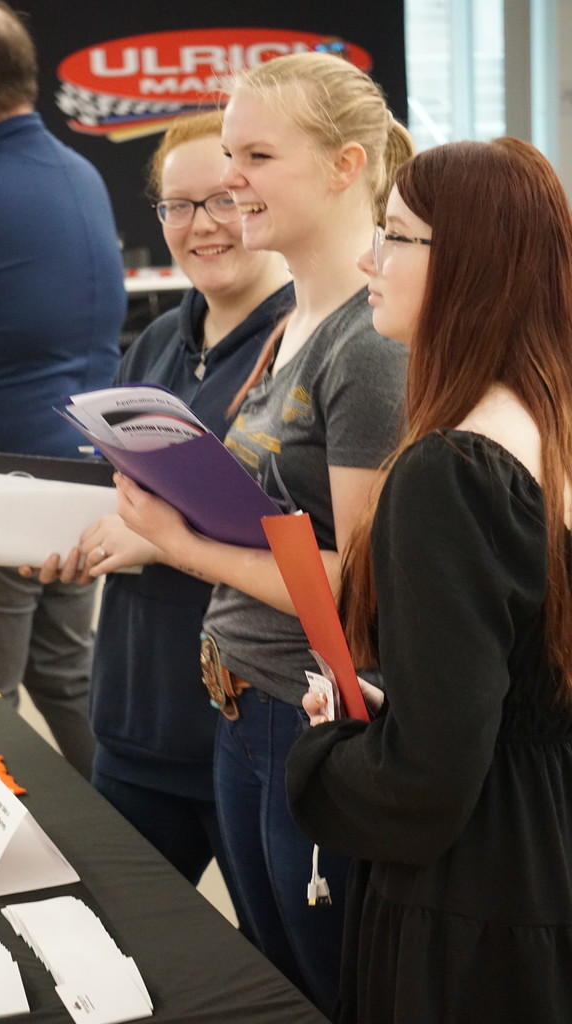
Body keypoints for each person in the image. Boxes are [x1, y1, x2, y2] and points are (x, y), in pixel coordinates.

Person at [113, 52, 411, 1016]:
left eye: (255, 154)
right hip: (239, 699)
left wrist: (176, 539)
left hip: (304, 710)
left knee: (322, 985)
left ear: (343, 166)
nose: (229, 179)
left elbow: (359, 585)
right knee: (272, 973)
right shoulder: (299, 319)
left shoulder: (367, 341)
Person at [286, 137, 572, 1024]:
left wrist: (326, 754)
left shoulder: (453, 469)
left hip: (480, 886)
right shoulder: (549, 422)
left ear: (471, 262)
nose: (370, 258)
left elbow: (428, 780)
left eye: (396, 234)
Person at [35, 110, 294, 925]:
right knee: (120, 940)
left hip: (248, 728)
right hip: (134, 721)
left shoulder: (305, 352)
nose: (200, 228)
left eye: (220, 200)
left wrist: (155, 539)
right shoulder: (154, 347)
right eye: (176, 207)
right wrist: (58, 534)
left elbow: (309, 539)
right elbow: (117, 498)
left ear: (259, 201)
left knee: (273, 968)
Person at [0, 1, 126, 777]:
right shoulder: (75, 171)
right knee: (60, 674)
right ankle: (130, 843)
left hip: (8, 483)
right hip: (79, 474)